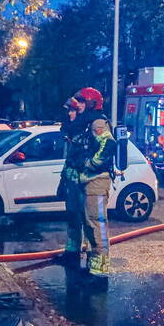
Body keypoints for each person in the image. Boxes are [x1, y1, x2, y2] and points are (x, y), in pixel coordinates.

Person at [58, 87, 117, 280]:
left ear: (91, 104)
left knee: (95, 223)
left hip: (95, 181)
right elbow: (72, 156)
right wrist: (64, 179)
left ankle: (99, 270)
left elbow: (108, 145)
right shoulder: (79, 125)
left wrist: (91, 164)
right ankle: (72, 254)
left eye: (80, 102)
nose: (74, 108)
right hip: (77, 180)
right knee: (74, 218)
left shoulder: (97, 122)